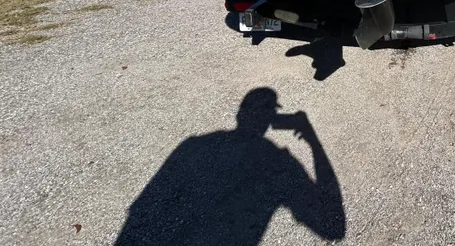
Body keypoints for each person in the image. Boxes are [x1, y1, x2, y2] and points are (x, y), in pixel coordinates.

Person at [115, 87, 345, 245]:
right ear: (269, 117)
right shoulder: (276, 159)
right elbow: (334, 228)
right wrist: (312, 140)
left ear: (240, 113)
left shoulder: (193, 145)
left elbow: (146, 206)